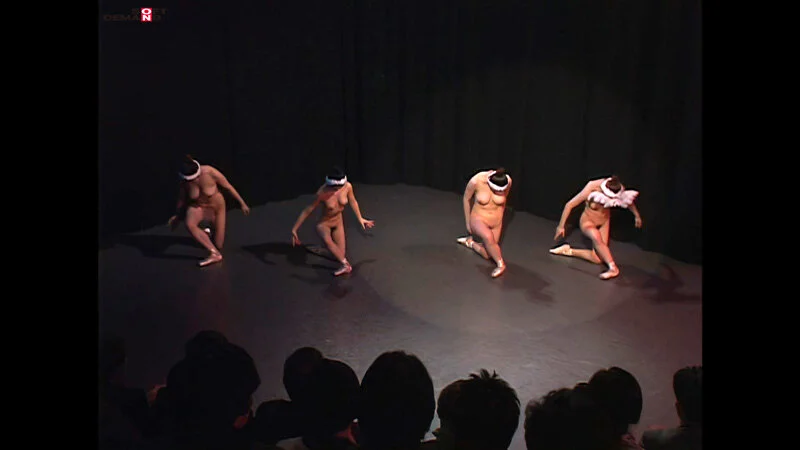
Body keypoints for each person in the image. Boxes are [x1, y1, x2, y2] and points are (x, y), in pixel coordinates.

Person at [549, 175, 641, 280]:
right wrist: (561, 226)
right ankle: (613, 268)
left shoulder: (618, 188)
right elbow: (569, 205)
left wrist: (636, 216)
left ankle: (568, 251)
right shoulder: (592, 186)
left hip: (604, 222)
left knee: (597, 258)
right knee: (596, 238)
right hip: (588, 221)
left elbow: (628, 202)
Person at [167, 155, 250, 267]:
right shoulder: (185, 181)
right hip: (199, 206)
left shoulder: (209, 172)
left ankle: (207, 233)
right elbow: (182, 198)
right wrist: (177, 215)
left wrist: (242, 203)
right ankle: (214, 253)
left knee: (218, 244)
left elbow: (228, 187)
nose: (194, 180)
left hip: (216, 207)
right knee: (189, 223)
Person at [291, 166, 374, 276]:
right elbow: (308, 210)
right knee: (330, 243)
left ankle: (320, 250)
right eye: (335, 187)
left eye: (340, 186)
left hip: (338, 222)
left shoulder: (347, 186)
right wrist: (294, 229)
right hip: (324, 223)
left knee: (340, 254)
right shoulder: (322, 192)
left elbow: (353, 201)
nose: (338, 189)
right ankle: (345, 266)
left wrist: (360, 218)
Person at [456, 168, 512, 278]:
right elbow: (466, 198)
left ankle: (470, 242)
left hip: (496, 222)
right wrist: (468, 223)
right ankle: (501, 264)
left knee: (488, 254)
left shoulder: (507, 181)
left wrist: (500, 221)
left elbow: (503, 204)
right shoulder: (476, 181)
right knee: (488, 237)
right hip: (478, 219)